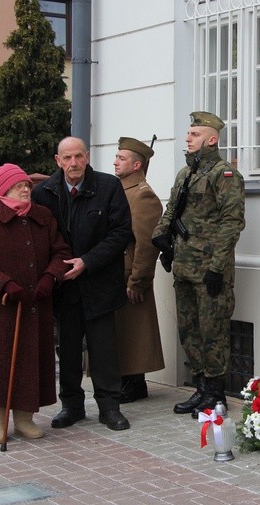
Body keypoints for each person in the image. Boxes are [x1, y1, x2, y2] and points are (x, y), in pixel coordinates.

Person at [31, 136, 133, 431]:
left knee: (103, 351)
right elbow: (40, 238)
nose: (73, 163)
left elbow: (121, 233)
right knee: (69, 349)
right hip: (64, 286)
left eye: (78, 156)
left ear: (87, 157)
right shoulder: (44, 192)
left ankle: (109, 407)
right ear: (57, 160)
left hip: (99, 281)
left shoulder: (108, 187)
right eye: (67, 158)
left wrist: (86, 261)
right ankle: (71, 406)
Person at [0, 163, 71, 444]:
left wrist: (51, 277)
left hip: (35, 304)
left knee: (31, 358)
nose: (25, 189)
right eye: (18, 185)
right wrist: (4, 284)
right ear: (3, 189)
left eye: (27, 185)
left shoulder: (43, 216)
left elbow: (61, 251)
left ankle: (25, 418)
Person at [152, 111, 245, 419]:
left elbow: (232, 223)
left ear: (211, 139)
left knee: (213, 331)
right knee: (189, 329)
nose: (188, 139)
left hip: (209, 270)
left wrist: (217, 267)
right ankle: (201, 388)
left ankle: (217, 394)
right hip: (184, 265)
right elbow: (172, 209)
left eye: (194, 134)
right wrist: (161, 237)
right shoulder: (185, 174)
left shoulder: (224, 175)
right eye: (188, 134)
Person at [113, 136, 165, 403]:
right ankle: (126, 381)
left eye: (121, 158)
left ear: (136, 165)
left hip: (129, 273)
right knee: (122, 333)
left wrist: (138, 280)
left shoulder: (142, 195)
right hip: (115, 273)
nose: (115, 161)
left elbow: (146, 243)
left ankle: (134, 383)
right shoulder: (120, 190)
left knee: (134, 333)